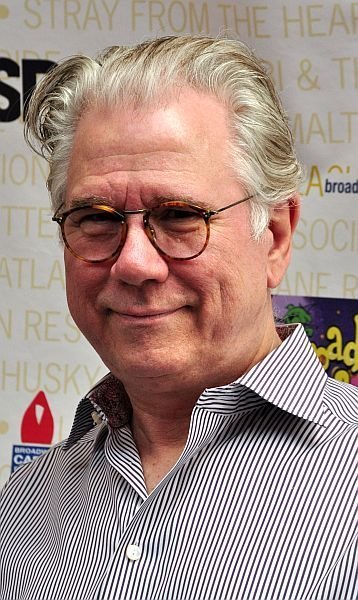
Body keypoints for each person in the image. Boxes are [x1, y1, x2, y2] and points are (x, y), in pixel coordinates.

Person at [1, 35, 356, 600]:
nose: (134, 262)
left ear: (276, 238)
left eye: (180, 216)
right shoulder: (24, 502)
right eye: (96, 219)